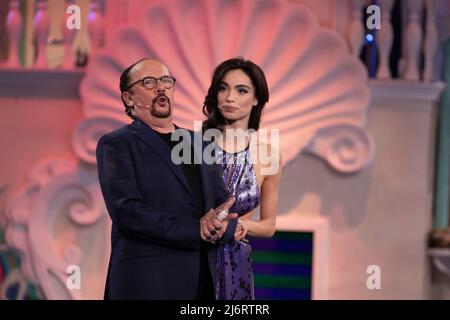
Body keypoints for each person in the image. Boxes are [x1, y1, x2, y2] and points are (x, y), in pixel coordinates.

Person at [96, 58, 238, 300]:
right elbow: (127, 212)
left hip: (203, 282)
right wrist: (196, 229)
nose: (161, 88)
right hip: (148, 283)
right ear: (129, 98)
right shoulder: (117, 143)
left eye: (166, 80)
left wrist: (224, 225)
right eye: (148, 82)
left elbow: (224, 204)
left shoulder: (200, 142)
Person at [202, 57, 282, 300]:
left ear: (256, 98)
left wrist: (239, 227)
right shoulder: (193, 146)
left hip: (236, 266)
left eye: (242, 90)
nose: (229, 97)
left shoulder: (269, 155)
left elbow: (269, 226)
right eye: (223, 88)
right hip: (194, 258)